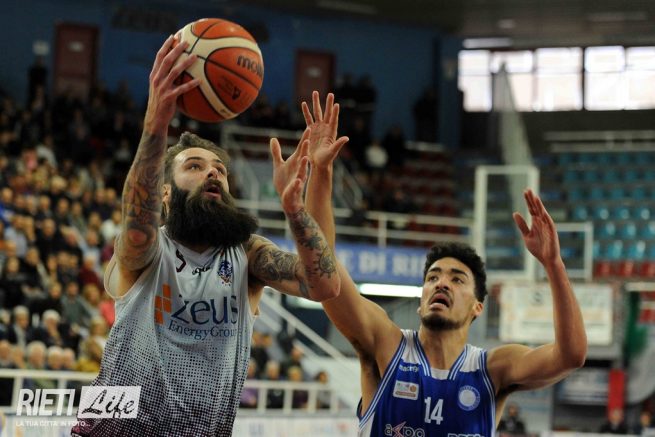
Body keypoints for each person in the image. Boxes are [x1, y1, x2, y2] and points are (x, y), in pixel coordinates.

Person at [71, 36, 339, 437]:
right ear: (164, 193)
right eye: (194, 166)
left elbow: (324, 284)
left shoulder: (247, 254)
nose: (212, 172)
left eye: (219, 169)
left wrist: (302, 200)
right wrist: (156, 123)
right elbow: (137, 216)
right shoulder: (149, 249)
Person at [301, 90, 587, 436]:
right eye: (433, 277)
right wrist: (321, 172)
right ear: (421, 297)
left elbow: (570, 356)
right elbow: (325, 269)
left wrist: (554, 265)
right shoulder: (385, 344)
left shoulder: (493, 369)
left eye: (457, 279)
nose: (441, 283)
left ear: (478, 306)